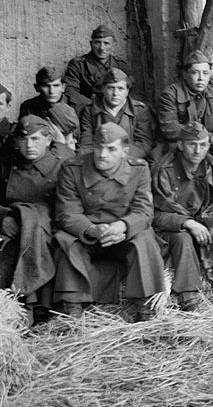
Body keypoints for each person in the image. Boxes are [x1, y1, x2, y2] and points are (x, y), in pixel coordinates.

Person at [52, 123, 165, 321]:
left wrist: (122, 226)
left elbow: (144, 211)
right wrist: (92, 229)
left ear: (124, 152)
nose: (102, 154)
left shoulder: (138, 169)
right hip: (88, 232)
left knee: (145, 239)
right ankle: (72, 308)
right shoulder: (72, 168)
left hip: (122, 233)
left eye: (111, 149)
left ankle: (146, 308)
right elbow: (67, 212)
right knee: (66, 241)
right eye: (98, 147)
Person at [151, 122, 213, 312]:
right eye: (192, 144)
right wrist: (187, 223)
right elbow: (153, 214)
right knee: (183, 238)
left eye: (203, 144)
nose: (197, 150)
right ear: (181, 145)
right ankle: (188, 294)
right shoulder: (163, 170)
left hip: (203, 221)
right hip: (172, 229)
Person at [0, 116, 72, 320]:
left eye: (36, 139)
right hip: (11, 225)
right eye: (24, 140)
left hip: (49, 227)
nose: (29, 145)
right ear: (16, 142)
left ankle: (31, 305)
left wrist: (31, 219)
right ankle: (16, 306)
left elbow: (69, 205)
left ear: (48, 141)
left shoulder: (63, 165)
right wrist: (3, 218)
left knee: (34, 232)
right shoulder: (5, 166)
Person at [156, 50, 213, 156]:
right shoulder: (170, 95)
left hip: (207, 147)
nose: (201, 78)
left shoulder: (211, 93)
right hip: (184, 149)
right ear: (185, 74)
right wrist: (209, 137)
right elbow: (170, 128)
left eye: (205, 73)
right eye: (195, 72)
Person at [78, 68, 155, 159]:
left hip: (128, 160)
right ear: (103, 89)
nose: (115, 93)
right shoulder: (90, 110)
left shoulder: (139, 110)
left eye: (120, 88)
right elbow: (86, 143)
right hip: (100, 159)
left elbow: (143, 144)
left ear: (127, 91)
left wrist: (117, 156)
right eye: (111, 88)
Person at [63, 25, 131, 109]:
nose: (102, 48)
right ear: (91, 44)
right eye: (97, 42)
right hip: (87, 107)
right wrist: (93, 105)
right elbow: (71, 90)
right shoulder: (78, 64)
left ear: (113, 45)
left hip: (115, 108)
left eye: (106, 43)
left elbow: (130, 91)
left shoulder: (121, 65)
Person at [19, 67, 80, 150]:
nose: (52, 91)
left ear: (63, 87)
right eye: (46, 86)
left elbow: (86, 141)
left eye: (56, 85)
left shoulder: (77, 105)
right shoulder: (29, 107)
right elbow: (26, 136)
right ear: (37, 87)